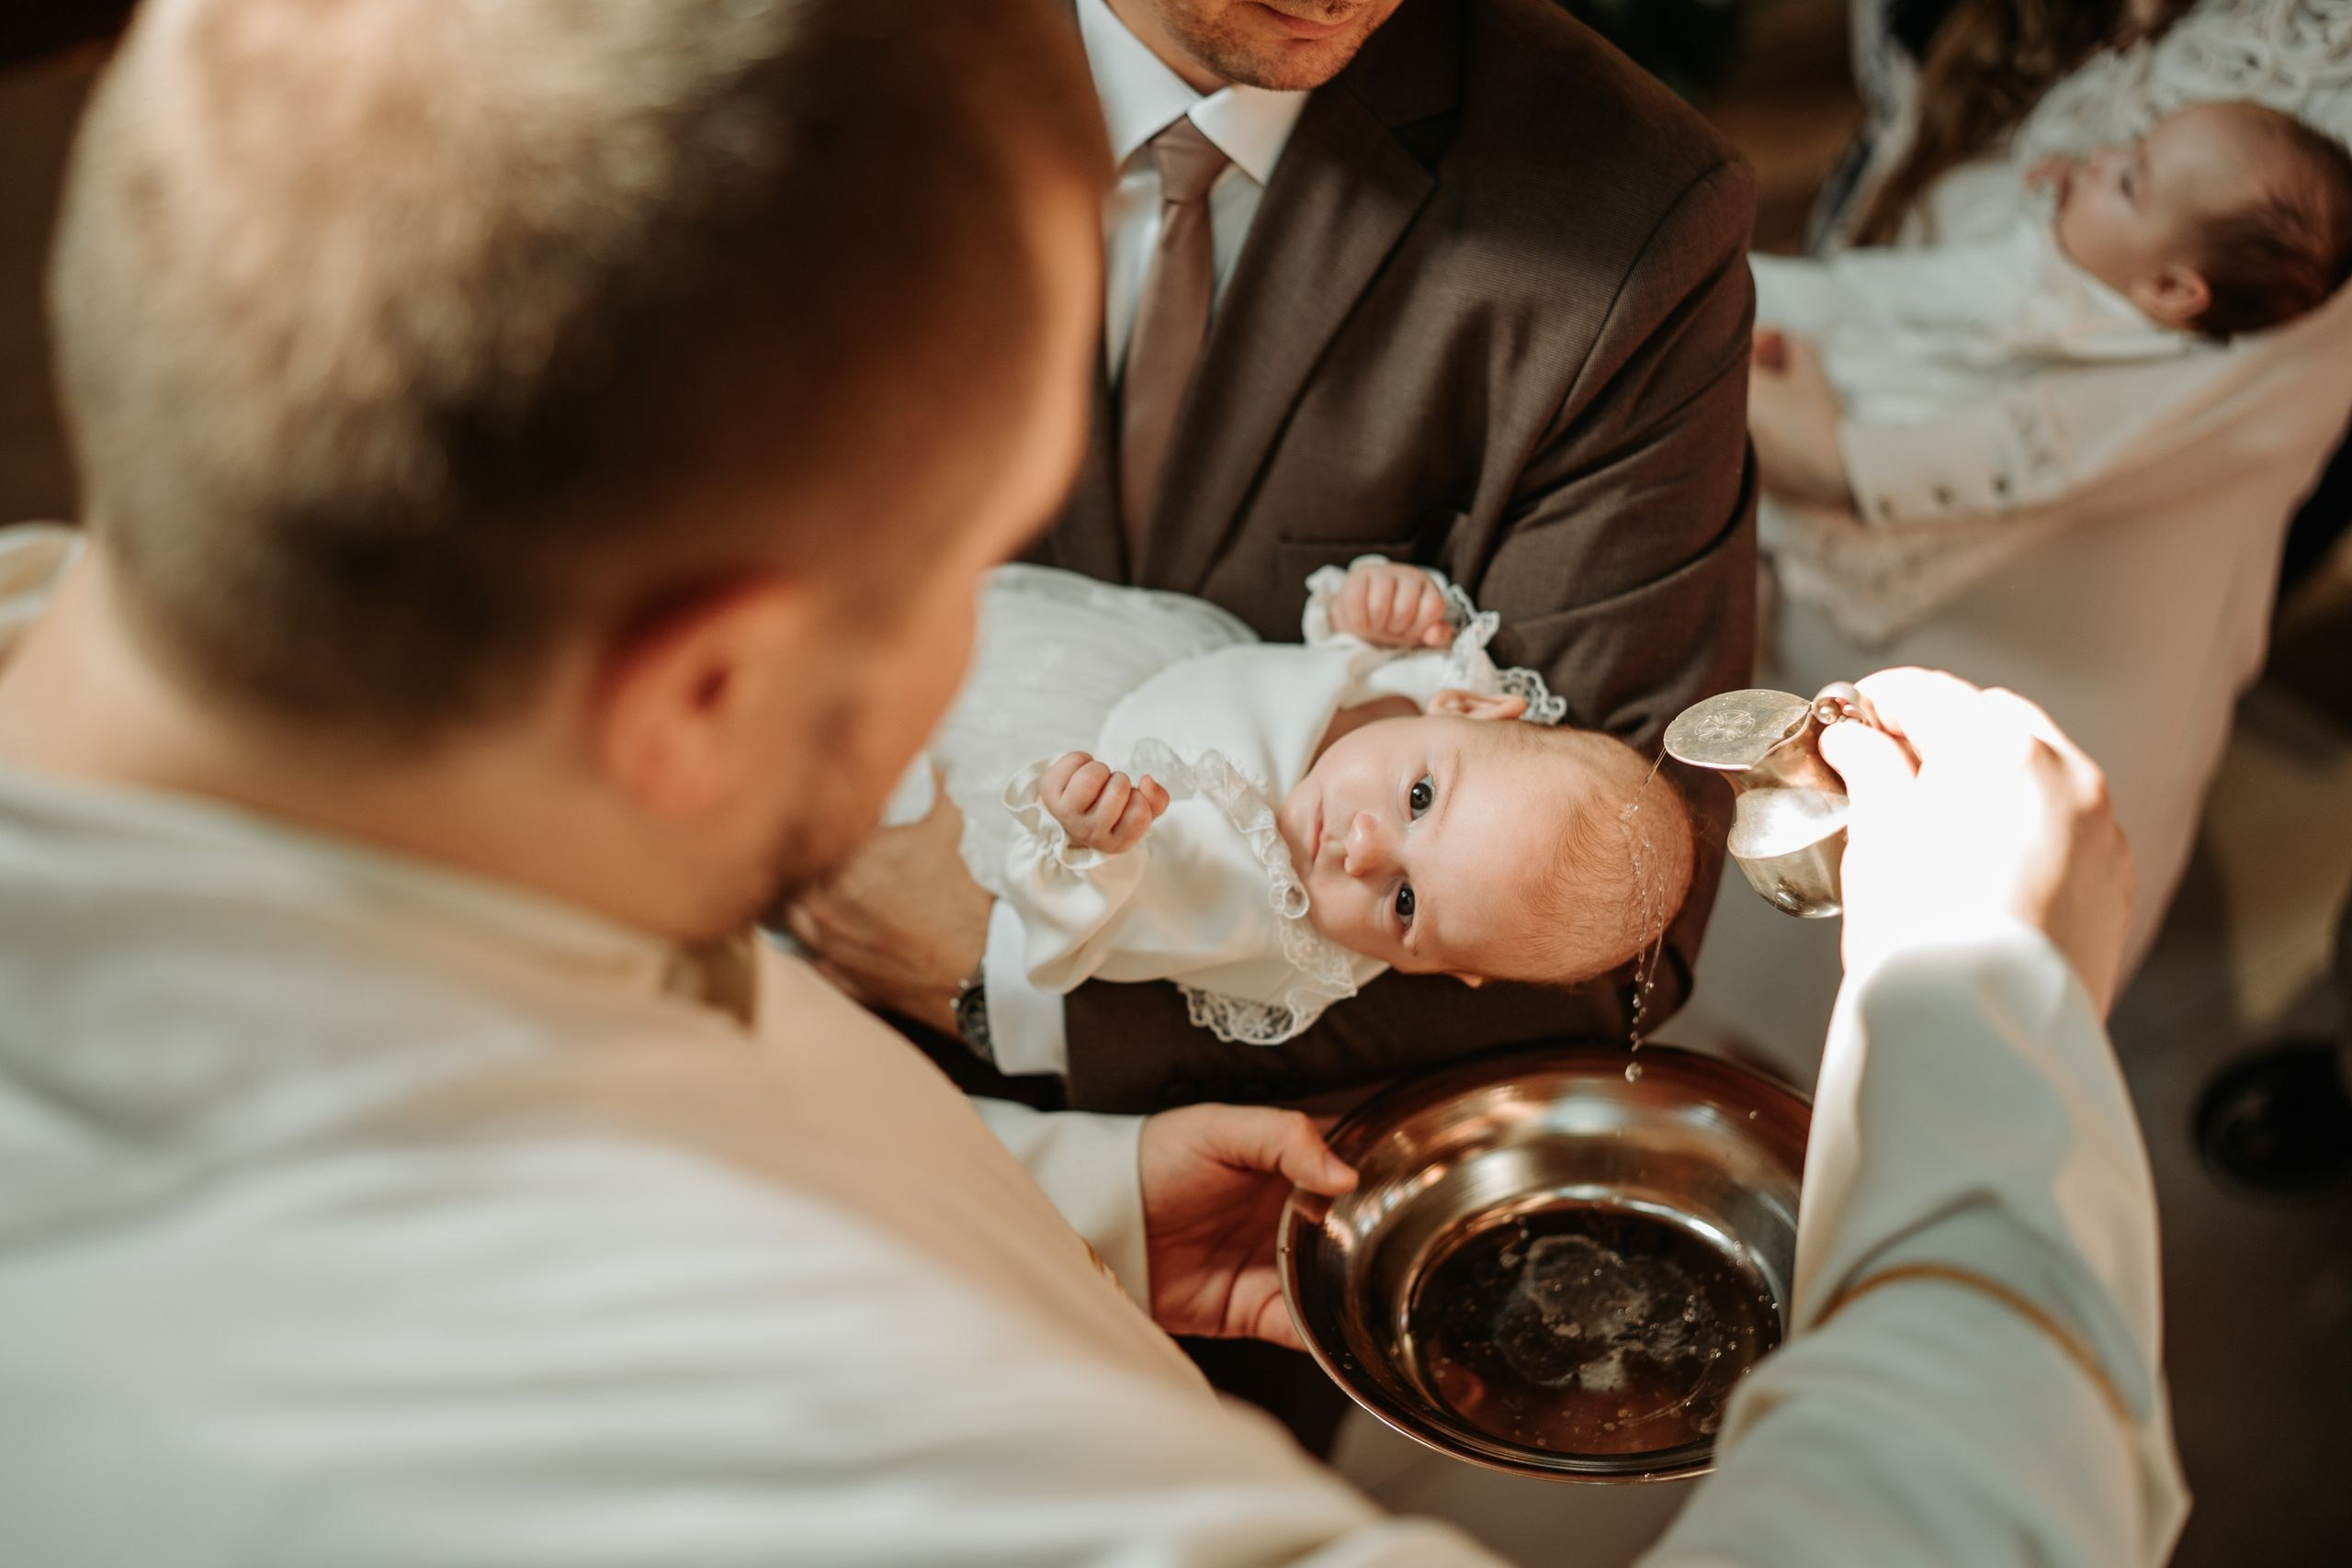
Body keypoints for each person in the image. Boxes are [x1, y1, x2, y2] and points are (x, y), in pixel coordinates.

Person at [0, 2, 2187, 1563]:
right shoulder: (811, 1438)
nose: (999, 648)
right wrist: (1983, 1007)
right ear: (711, 689)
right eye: (952, 571)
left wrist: (1060, 1216)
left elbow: (571, 1022)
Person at [786, 0, 1762, 1114]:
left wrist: (998, 980)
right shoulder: (797, 46)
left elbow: (1614, 938)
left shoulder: (1626, 217)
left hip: (1206, 1162)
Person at [1684, 0, 2352, 1079]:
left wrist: (1834, 448)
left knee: (1913, 999)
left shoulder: (2313, 91)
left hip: (2040, 580)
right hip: (1835, 395)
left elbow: (2199, 392)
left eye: (2131, 170)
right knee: (1745, 907)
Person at [864, 556, 1689, 1049]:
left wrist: (1087, 845)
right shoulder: (1434, 683)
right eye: (1421, 797)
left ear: (1444, 968)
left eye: (1403, 902)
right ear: (1473, 707)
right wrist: (1372, 602)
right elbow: (1339, 644)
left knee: (866, 730)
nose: (1360, 850)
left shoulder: (1262, 914)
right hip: (1118, 654)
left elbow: (1078, 943)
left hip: (1034, 768)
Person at [1748, 98, 2352, 642]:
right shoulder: (2098, 267)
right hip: (1850, 357)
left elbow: (1995, 450)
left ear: (2170, 288)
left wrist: (1850, 456)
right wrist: (2069, 200)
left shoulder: (2124, 385)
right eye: (2133, 145)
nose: (2100, 156)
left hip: (1874, 443)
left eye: (2127, 179)